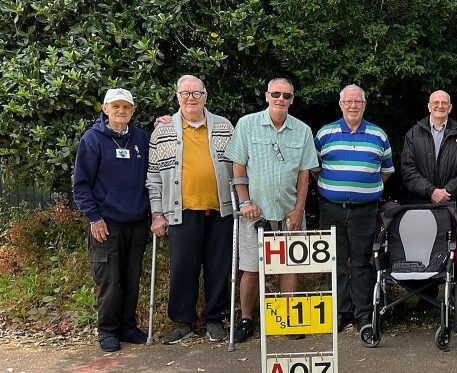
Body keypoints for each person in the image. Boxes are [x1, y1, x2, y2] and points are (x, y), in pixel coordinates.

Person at [224, 78, 319, 343]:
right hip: (255, 213)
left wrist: (300, 208)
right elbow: (238, 166)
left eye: (286, 96)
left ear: (292, 99)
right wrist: (244, 202)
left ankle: (288, 320)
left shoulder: (302, 130)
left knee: (290, 267)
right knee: (252, 269)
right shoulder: (247, 124)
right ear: (267, 96)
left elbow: (304, 174)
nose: (280, 99)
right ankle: (246, 320)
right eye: (276, 94)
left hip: (289, 213)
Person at [147, 75, 235, 345]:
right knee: (183, 267)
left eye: (196, 93)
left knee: (218, 266)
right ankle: (182, 322)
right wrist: (157, 213)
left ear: (205, 96)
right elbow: (153, 176)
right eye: (185, 94)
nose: (191, 98)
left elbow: (238, 165)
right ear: (177, 97)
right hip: (180, 211)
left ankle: (214, 320)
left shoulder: (224, 126)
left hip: (220, 209)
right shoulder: (162, 130)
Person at [72, 88, 151, 352]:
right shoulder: (92, 140)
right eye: (115, 106)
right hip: (106, 223)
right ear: (105, 109)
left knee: (131, 277)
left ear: (133, 111)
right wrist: (94, 218)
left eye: (126, 107)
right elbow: (81, 185)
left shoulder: (141, 138)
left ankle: (128, 326)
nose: (121, 111)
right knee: (109, 280)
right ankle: (107, 330)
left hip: (137, 221)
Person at [314, 84, 394, 335]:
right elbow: (314, 168)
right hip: (332, 208)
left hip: (365, 211)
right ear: (340, 104)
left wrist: (365, 188)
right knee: (334, 262)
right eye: (348, 101)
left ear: (364, 104)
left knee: (362, 263)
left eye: (357, 101)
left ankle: (364, 315)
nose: (353, 106)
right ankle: (339, 313)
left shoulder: (378, 135)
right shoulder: (325, 134)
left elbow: (386, 171)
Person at [400, 90, 457, 310]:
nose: (440, 106)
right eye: (436, 102)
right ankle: (426, 298)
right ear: (429, 106)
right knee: (424, 251)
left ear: (450, 108)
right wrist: (431, 191)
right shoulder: (413, 134)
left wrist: (447, 191)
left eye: (444, 103)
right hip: (422, 204)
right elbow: (408, 171)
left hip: (455, 205)